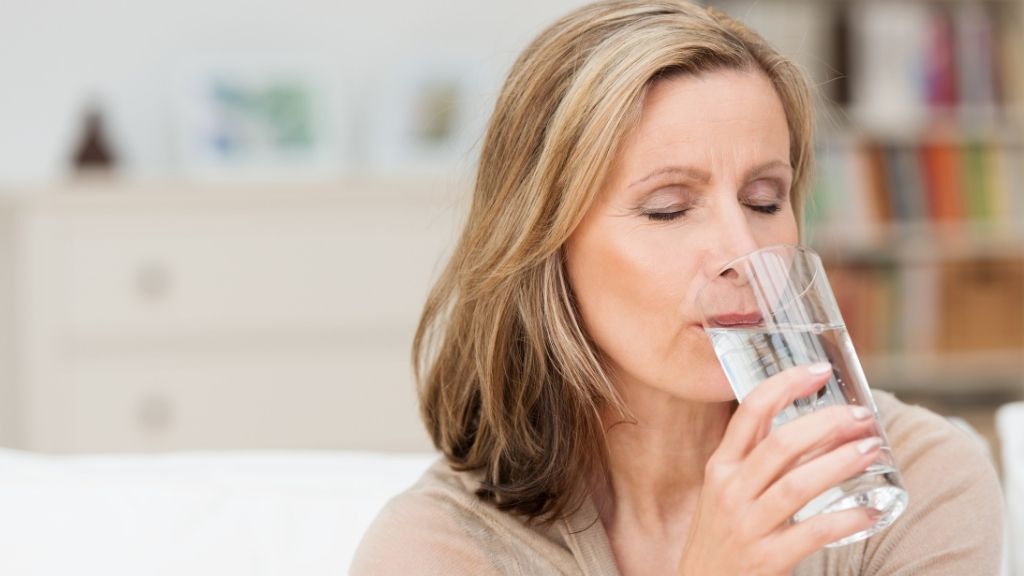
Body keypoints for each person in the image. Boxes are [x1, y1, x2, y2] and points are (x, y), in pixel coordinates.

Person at [351, 1, 1004, 574]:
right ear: (544, 245)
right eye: (668, 207)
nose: (743, 253)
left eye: (764, 198)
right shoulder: (436, 550)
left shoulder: (915, 478)